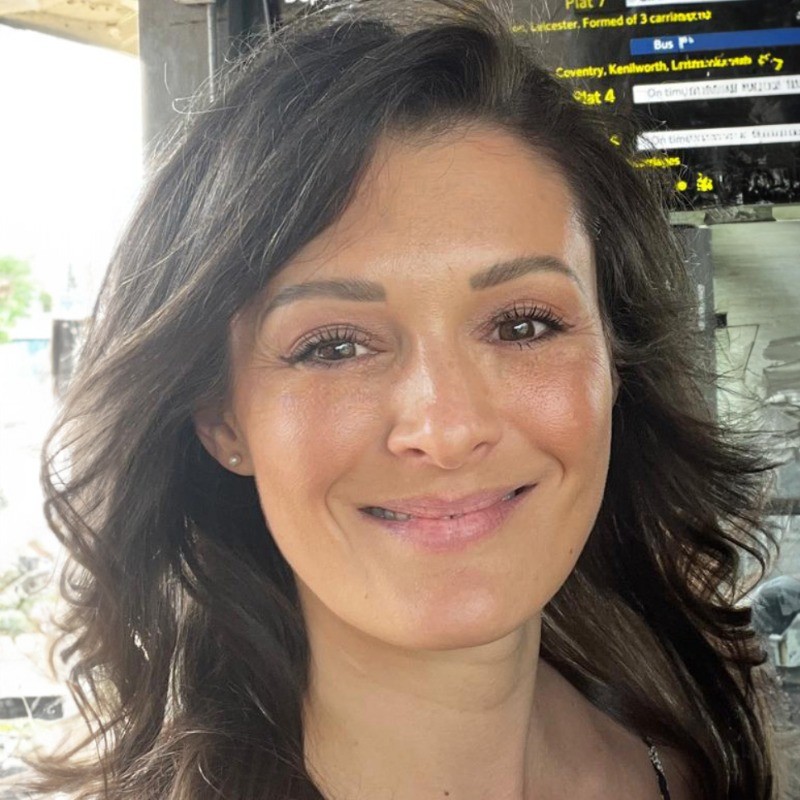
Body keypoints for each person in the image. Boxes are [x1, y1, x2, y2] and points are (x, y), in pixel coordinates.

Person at [22, 1, 795, 798]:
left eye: (524, 325)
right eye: (335, 346)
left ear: (616, 361)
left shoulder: (701, 750)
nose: (447, 428)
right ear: (222, 418)